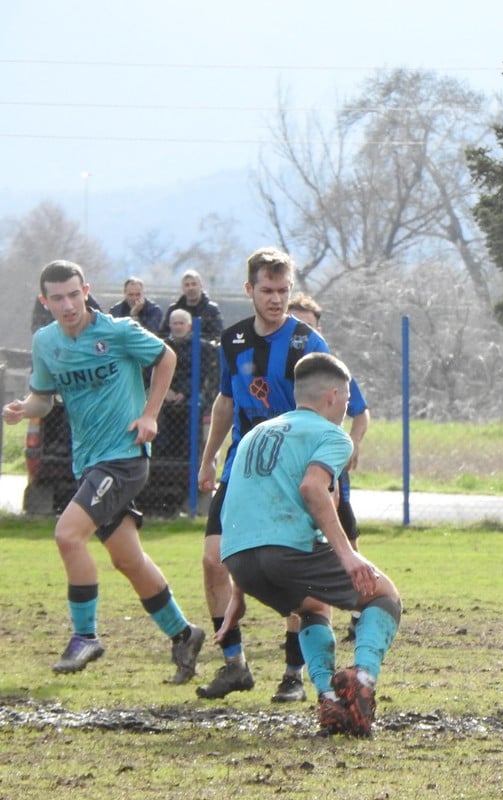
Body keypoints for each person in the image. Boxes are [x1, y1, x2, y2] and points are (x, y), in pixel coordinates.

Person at [3, 260, 206, 681]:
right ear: (46, 301)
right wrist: (25, 409)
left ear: (86, 291)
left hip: (124, 457)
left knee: (67, 533)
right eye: (57, 298)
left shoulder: (117, 332)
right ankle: (183, 633)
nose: (68, 304)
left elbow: (166, 356)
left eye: (74, 294)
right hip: (89, 462)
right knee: (128, 560)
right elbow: (44, 397)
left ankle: (85, 636)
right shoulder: (47, 343)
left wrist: (150, 415)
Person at [218, 352, 401, 737]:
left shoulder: (256, 434)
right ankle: (362, 680)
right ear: (333, 396)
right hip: (284, 550)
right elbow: (311, 487)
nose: (347, 411)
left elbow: (243, 505)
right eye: (348, 402)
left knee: (311, 607)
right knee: (384, 596)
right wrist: (347, 555)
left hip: (238, 558)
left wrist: (238, 591)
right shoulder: (332, 435)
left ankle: (331, 702)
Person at [195, 248, 329, 699]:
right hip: (243, 466)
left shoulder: (306, 343)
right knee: (214, 559)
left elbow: (331, 408)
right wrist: (210, 455)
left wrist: (320, 465)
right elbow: (227, 402)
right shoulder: (232, 341)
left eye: (283, 290)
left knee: (291, 570)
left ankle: (293, 673)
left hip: (289, 473)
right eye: (267, 290)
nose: (276, 299)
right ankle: (233, 663)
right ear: (249, 290)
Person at [271, 292, 371, 703]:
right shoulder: (287, 380)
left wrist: (352, 445)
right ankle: (300, 675)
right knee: (308, 590)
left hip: (330, 489)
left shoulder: (332, 375)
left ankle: (358, 617)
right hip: (291, 494)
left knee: (347, 552)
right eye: (296, 323)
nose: (301, 331)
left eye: (307, 324)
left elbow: (360, 413)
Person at [158, 309, 219, 459]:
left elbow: (202, 374)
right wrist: (166, 391)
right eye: (175, 323)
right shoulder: (161, 347)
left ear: (189, 326)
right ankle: (161, 455)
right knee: (156, 408)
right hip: (165, 391)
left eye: (181, 323)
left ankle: (189, 455)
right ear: (170, 325)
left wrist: (184, 393)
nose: (178, 327)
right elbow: (152, 372)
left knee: (195, 407)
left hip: (192, 392)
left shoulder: (202, 348)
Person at [162, 269, 223, 343]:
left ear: (200, 286)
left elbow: (218, 335)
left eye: (194, 284)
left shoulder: (212, 310)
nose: (190, 288)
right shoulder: (174, 310)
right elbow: (163, 334)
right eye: (187, 285)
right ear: (182, 288)